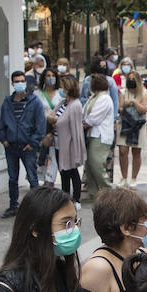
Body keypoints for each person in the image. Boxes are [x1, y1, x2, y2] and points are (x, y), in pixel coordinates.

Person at [0, 70, 49, 218]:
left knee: (32, 177)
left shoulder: (34, 102)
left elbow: (41, 125)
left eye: (22, 81)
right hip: (11, 146)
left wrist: (33, 142)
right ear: (12, 83)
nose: (19, 84)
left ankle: (37, 207)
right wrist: (3, 139)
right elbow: (2, 123)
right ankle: (13, 205)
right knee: (12, 177)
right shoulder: (7, 102)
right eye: (17, 81)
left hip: (28, 146)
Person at [82, 72, 117, 198]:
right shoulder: (93, 98)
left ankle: (108, 190)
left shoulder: (105, 99)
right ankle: (94, 193)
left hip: (100, 136)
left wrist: (83, 124)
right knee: (90, 165)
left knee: (96, 164)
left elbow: (94, 118)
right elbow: (84, 113)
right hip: (91, 136)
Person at [53, 74, 86, 204]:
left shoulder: (75, 105)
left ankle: (76, 198)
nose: (60, 89)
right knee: (63, 172)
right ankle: (65, 197)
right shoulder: (63, 103)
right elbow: (52, 115)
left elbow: (75, 128)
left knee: (72, 171)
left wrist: (55, 120)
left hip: (69, 144)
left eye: (62, 87)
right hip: (58, 143)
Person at [117, 71, 147, 188]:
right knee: (123, 151)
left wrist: (134, 102)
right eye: (129, 78)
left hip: (138, 125)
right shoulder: (123, 92)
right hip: (124, 124)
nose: (131, 81)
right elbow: (119, 108)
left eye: (133, 79)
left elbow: (143, 110)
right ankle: (124, 177)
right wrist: (124, 104)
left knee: (136, 152)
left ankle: (134, 178)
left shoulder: (144, 92)